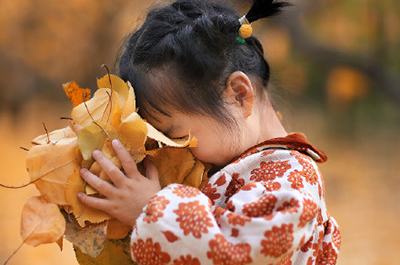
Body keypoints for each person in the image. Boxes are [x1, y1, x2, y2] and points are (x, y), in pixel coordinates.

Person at [78, 0, 341, 264]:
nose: (172, 149)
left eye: (177, 136)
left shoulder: (293, 177)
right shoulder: (234, 164)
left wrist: (151, 210)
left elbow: (241, 252)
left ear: (239, 95)